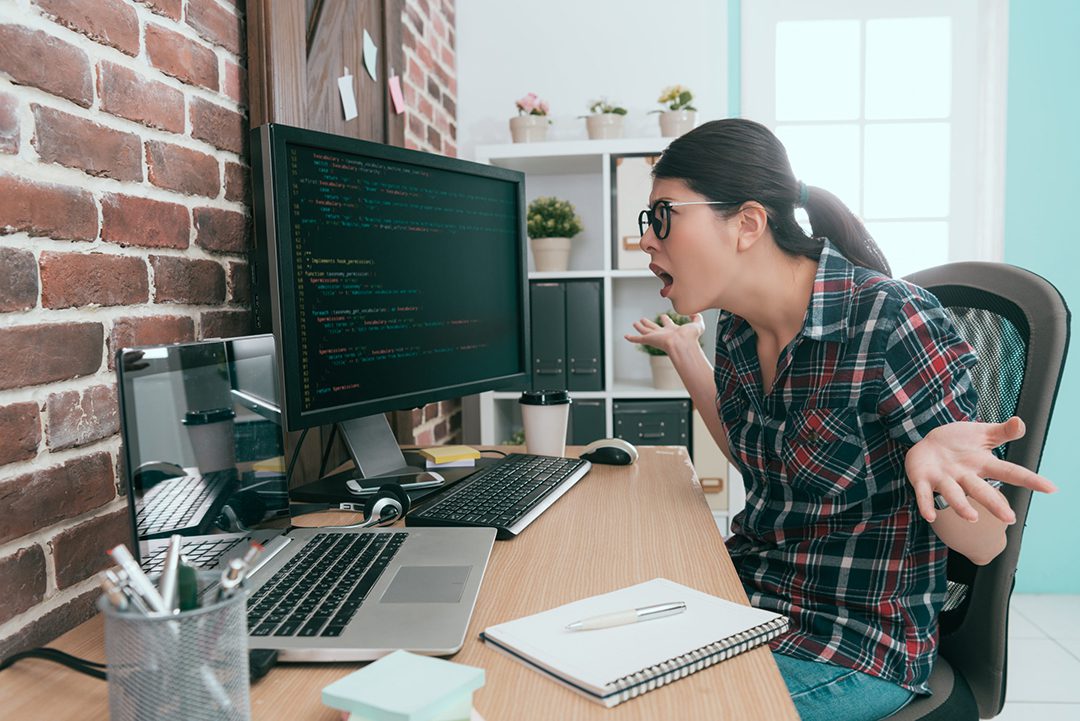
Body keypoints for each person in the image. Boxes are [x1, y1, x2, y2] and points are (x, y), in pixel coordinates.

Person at [624, 118, 1056, 721]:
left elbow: (985, 546)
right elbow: (756, 454)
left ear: (748, 223)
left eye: (662, 215)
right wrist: (687, 354)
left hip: (854, 644)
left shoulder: (889, 321)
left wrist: (932, 462)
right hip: (746, 599)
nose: (647, 239)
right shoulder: (737, 334)